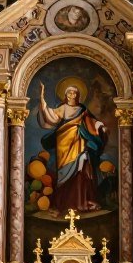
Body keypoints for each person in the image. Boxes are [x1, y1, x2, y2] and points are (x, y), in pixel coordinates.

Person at [37, 82, 107, 212]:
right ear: (65, 95)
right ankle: (64, 204)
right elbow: (50, 117)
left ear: (78, 95)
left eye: (75, 92)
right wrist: (42, 99)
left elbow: (91, 121)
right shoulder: (62, 108)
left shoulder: (82, 109)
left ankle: (81, 202)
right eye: (69, 92)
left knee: (82, 167)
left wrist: (98, 124)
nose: (72, 94)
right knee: (65, 173)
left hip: (79, 141)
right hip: (64, 143)